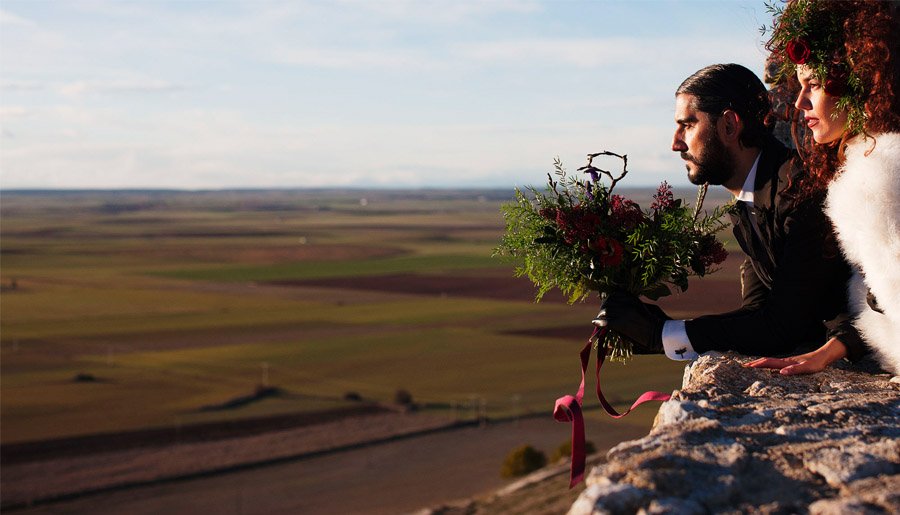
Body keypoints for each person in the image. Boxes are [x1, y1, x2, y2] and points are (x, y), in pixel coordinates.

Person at [592, 63, 863, 363]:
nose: (675, 143)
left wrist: (662, 334)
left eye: (688, 124)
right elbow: (758, 312)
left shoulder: (798, 191)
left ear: (730, 126)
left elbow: (784, 325)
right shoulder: (754, 198)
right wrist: (659, 327)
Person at [746, 0, 900, 375]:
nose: (799, 103)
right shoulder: (876, 161)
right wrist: (836, 347)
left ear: (856, 84)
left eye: (812, 84)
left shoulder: (875, 176)